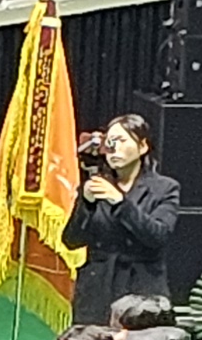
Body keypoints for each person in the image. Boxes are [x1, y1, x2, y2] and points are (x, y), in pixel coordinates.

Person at [65, 114, 180, 320]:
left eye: (122, 141)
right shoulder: (96, 185)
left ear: (142, 147)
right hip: (97, 288)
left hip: (142, 288)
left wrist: (120, 202)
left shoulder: (165, 188)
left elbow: (157, 236)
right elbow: (71, 240)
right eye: (110, 142)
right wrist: (87, 204)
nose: (114, 149)